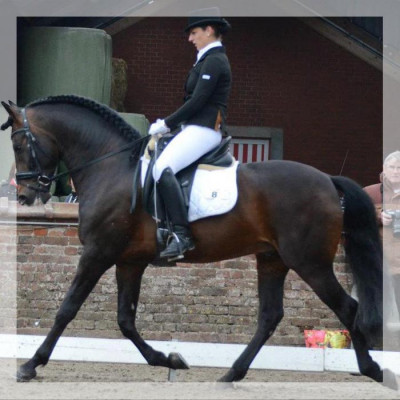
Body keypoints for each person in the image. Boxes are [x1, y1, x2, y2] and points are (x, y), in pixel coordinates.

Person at [148, 11, 232, 260]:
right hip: (193, 128)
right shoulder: (204, 60)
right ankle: (163, 228)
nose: (190, 39)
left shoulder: (215, 61)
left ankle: (183, 236)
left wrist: (166, 124)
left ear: (208, 30)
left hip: (205, 129)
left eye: (193, 33)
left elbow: (198, 101)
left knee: (163, 167)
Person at [364, 151, 400, 322]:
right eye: (392, 167)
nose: (395, 171)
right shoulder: (370, 193)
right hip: (377, 264)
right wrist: (378, 217)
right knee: (370, 313)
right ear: (384, 169)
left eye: (399, 168)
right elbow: (352, 220)